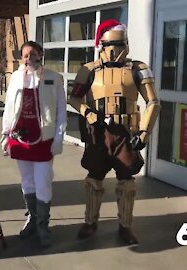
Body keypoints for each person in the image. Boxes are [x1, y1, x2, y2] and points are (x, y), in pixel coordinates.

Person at [68, 19, 161, 245]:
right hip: (98, 133)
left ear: (126, 44)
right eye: (110, 45)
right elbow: (74, 98)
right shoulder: (88, 70)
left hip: (125, 134)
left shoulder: (138, 69)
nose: (113, 51)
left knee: (127, 183)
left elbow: (153, 102)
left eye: (119, 45)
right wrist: (88, 113)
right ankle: (90, 222)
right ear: (101, 45)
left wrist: (144, 133)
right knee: (93, 180)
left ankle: (125, 226)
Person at [1, 41, 67, 248]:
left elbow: (61, 112)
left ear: (41, 55)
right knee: (27, 182)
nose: (29, 58)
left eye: (33, 54)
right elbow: (8, 109)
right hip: (21, 139)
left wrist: (58, 138)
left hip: (43, 141)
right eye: (25, 55)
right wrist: (5, 135)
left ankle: (42, 225)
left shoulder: (54, 79)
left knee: (43, 182)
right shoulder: (16, 79)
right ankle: (31, 219)